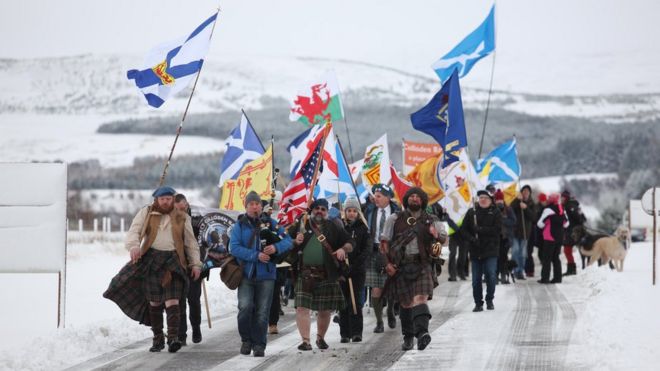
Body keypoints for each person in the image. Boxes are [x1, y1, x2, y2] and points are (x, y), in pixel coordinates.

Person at [103, 186, 202, 353]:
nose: (165, 202)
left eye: (169, 199)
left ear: (173, 199)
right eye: (162, 199)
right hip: (151, 260)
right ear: (156, 199)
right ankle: (157, 339)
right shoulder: (146, 213)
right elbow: (134, 231)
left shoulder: (182, 217)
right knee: (154, 302)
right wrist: (134, 246)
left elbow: (191, 244)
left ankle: (173, 338)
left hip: (174, 261)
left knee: (173, 300)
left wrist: (196, 264)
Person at [380, 187, 447, 351]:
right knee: (406, 303)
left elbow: (444, 239)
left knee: (420, 299)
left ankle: (422, 333)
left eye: (418, 196)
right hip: (401, 266)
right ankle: (408, 337)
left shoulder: (432, 219)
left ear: (423, 200)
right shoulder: (394, 219)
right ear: (406, 200)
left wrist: (436, 234)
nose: (414, 199)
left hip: (423, 265)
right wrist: (387, 264)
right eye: (411, 196)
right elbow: (383, 244)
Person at [229, 191, 293, 357]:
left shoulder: (271, 223)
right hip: (246, 275)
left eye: (257, 203)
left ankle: (259, 345)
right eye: (251, 204)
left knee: (262, 312)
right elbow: (234, 248)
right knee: (245, 308)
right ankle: (246, 340)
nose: (255, 206)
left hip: (267, 275)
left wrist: (276, 248)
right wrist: (255, 255)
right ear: (246, 206)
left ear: (261, 206)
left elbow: (288, 240)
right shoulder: (240, 225)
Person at [287, 198, 353, 351]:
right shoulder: (301, 224)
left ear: (327, 212)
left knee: (325, 309)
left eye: (323, 209)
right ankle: (305, 341)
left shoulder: (334, 226)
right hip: (305, 273)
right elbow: (285, 242)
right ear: (311, 210)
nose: (319, 211)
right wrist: (295, 241)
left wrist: (344, 249)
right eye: (317, 208)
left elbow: (350, 242)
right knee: (302, 308)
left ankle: (320, 338)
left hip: (327, 273)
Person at [363, 183, 400, 333]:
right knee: (376, 289)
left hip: (391, 254)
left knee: (390, 287)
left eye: (379, 196)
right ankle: (379, 321)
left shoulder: (397, 211)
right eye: (374, 196)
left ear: (388, 197)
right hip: (374, 252)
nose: (375, 198)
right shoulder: (369, 211)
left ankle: (390, 310)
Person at [461, 190, 502, 313]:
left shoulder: (495, 212)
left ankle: (489, 299)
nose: (483, 200)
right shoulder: (471, 212)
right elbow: (463, 230)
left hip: (491, 249)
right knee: (476, 280)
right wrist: (472, 239)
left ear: (491, 200)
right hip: (475, 251)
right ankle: (478, 303)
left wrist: (481, 230)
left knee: (490, 274)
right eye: (481, 197)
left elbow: (497, 230)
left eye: (485, 197)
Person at [173, 193, 204, 345]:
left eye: (182, 208)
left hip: (194, 265)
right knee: (179, 301)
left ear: (186, 205)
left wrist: (197, 264)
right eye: (177, 209)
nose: (180, 211)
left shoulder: (198, 219)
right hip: (178, 266)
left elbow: (201, 243)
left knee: (193, 299)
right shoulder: (172, 219)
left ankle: (196, 327)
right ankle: (181, 334)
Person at [339, 196, 370, 343]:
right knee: (343, 302)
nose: (351, 213)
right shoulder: (340, 228)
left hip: (357, 270)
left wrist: (354, 266)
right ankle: (345, 333)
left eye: (354, 211)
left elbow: (366, 250)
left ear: (358, 212)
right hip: (343, 270)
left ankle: (357, 332)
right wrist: (342, 266)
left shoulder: (363, 229)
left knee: (355, 301)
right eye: (349, 210)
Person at [537, 193, 569, 284]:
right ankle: (557, 278)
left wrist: (547, 223)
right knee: (556, 258)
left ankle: (545, 278)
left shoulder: (548, 210)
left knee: (546, 258)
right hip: (559, 237)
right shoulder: (562, 209)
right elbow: (566, 224)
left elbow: (540, 224)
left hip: (549, 237)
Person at [509, 185, 535, 280]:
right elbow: (510, 209)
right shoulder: (516, 201)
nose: (526, 193)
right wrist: (517, 201)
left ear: (529, 193)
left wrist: (526, 208)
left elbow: (533, 217)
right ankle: (514, 270)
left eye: (527, 191)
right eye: (524, 191)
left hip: (525, 233)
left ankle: (520, 271)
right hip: (515, 232)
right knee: (515, 251)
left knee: (523, 254)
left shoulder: (532, 204)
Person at [561, 190, 586, 275]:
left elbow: (579, 218)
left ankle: (571, 269)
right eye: (561, 197)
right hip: (570, 231)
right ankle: (571, 269)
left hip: (572, 232)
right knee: (567, 250)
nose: (562, 199)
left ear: (567, 198)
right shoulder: (569, 205)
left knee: (567, 250)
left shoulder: (570, 206)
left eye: (563, 197)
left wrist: (577, 226)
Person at [495, 190, 516, 284]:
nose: (499, 202)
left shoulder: (508, 209)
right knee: (495, 258)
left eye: (500, 200)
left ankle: (504, 276)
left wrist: (503, 220)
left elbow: (513, 221)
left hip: (505, 238)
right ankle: (494, 276)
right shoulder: (492, 209)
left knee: (503, 258)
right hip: (495, 238)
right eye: (497, 200)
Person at [526, 193, 548, 277]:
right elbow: (534, 218)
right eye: (542, 200)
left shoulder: (547, 208)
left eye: (544, 200)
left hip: (544, 232)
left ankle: (543, 267)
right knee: (532, 251)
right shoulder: (536, 207)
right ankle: (531, 270)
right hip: (536, 231)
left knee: (542, 251)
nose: (543, 201)